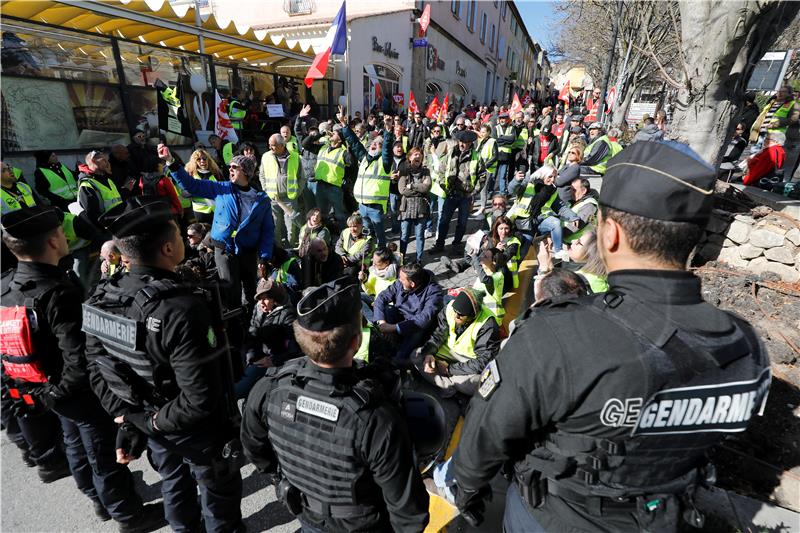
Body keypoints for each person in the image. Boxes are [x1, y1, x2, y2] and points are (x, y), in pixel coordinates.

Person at [451, 141, 771, 532]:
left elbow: (487, 435)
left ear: (611, 234)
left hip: (556, 517)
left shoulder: (558, 334)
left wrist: (465, 492)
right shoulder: (744, 346)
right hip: (667, 516)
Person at [0, 205, 165, 532]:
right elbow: (80, 358)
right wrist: (56, 394)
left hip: (45, 387)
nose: (65, 237)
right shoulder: (58, 292)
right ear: (51, 243)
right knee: (103, 455)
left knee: (75, 445)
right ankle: (129, 516)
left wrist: (44, 395)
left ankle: (99, 500)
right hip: (76, 391)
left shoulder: (8, 287)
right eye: (61, 233)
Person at [83, 197, 244, 532]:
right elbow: (200, 398)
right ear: (169, 248)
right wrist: (146, 422)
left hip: (150, 419)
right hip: (193, 431)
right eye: (180, 236)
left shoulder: (101, 296)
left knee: (174, 485)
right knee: (218, 503)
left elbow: (96, 367)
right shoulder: (181, 309)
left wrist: (131, 418)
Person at [241, 277, 430, 532]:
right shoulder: (376, 420)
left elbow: (254, 446)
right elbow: (408, 512)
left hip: (306, 514)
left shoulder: (269, 389)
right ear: (355, 342)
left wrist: (281, 476)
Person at [164, 146, 274, 309]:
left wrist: (264, 257)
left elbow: (267, 230)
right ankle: (234, 324)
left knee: (251, 290)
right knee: (231, 290)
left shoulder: (261, 199)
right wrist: (171, 162)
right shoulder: (222, 188)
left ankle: (252, 323)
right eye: (229, 167)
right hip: (225, 249)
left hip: (248, 251)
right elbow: (191, 185)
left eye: (234, 167)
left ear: (245, 172)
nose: (230, 170)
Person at [413, 287, 500, 397]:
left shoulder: (488, 325)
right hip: (447, 350)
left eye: (461, 315)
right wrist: (429, 352)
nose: (456, 316)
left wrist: (450, 369)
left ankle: (449, 380)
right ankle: (448, 386)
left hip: (468, 359)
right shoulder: (450, 308)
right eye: (455, 311)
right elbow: (439, 334)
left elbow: (483, 361)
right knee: (417, 355)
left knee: (477, 384)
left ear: (473, 315)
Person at [237, 277, 300, 399]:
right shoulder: (259, 309)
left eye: (265, 298)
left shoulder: (287, 315)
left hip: (276, 363)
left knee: (238, 391)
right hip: (258, 358)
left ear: (275, 299)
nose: (261, 303)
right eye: (259, 299)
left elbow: (295, 349)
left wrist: (273, 361)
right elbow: (252, 334)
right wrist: (251, 357)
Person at [341, 113, 394, 247]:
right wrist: (344, 126)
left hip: (375, 207)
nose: (374, 145)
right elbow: (354, 142)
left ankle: (382, 253)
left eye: (378, 145)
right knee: (366, 234)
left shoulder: (385, 161)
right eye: (373, 143)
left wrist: (388, 131)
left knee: (379, 234)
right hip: (362, 206)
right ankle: (368, 254)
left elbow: (387, 149)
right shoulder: (364, 158)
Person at [373, 262, 444, 363]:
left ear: (412, 284)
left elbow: (423, 319)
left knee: (416, 331)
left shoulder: (434, 292)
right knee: (388, 309)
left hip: (415, 325)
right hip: (400, 317)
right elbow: (381, 298)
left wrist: (393, 328)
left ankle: (400, 356)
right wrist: (382, 323)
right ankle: (390, 343)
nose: (398, 281)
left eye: (402, 280)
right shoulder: (401, 281)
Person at [431, 129, 480, 254]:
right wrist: (445, 188)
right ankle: (439, 244)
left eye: (465, 142)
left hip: (466, 196)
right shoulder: (451, 154)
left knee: (462, 223)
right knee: (444, 221)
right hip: (451, 194)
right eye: (460, 141)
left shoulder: (476, 156)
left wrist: (473, 192)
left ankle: (457, 246)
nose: (462, 144)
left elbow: (482, 176)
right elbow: (441, 171)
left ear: (470, 143)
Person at [261, 134, 302, 248]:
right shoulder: (266, 156)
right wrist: (266, 189)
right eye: (269, 145)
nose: (270, 148)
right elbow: (262, 175)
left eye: (273, 145)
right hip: (273, 198)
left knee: (291, 228)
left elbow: (301, 177)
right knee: (275, 226)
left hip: (289, 198)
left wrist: (297, 192)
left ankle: (292, 249)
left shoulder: (295, 156)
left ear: (282, 145)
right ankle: (279, 250)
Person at [398, 147, 432, 262]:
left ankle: (419, 260)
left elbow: (427, 187)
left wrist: (412, 186)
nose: (418, 156)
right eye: (415, 154)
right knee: (404, 236)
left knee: (420, 236)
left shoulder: (426, 171)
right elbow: (402, 190)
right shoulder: (404, 170)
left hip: (421, 209)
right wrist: (419, 190)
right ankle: (401, 259)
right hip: (406, 208)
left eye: (420, 154)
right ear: (410, 157)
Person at [184, 149, 222, 224]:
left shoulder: (216, 173)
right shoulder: (190, 175)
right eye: (198, 159)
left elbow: (224, 188)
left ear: (208, 160)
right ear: (194, 162)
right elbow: (184, 193)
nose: (202, 161)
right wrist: (198, 189)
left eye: (204, 158)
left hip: (217, 210)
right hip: (200, 212)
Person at [335, 213, 375, 278]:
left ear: (361, 225)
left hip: (359, 264)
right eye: (350, 226)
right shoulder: (345, 232)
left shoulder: (368, 239)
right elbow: (338, 245)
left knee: (349, 273)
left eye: (355, 226)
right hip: (344, 260)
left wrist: (345, 261)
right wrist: (342, 255)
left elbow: (360, 255)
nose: (352, 229)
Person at [476, 123, 498, 215]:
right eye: (481, 132)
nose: (482, 134)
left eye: (484, 132)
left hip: (487, 169)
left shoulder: (492, 141)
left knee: (483, 188)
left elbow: (495, 155)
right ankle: (476, 206)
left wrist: (486, 165)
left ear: (489, 132)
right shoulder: (481, 140)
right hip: (480, 167)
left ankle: (482, 208)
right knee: (478, 186)